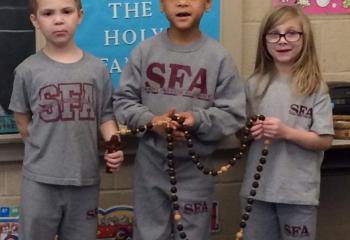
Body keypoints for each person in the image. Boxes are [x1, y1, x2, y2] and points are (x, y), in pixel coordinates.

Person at [113, 0, 246, 239]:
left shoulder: (219, 58)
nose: (182, 2)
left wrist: (196, 120)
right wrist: (153, 122)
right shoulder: (144, 51)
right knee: (149, 234)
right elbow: (123, 102)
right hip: (150, 168)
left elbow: (233, 114)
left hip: (196, 169)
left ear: (207, 4)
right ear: (162, 5)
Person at [8, 0, 124, 239]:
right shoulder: (26, 70)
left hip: (85, 179)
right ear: (34, 21)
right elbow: (22, 122)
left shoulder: (96, 69)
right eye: (48, 13)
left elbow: (105, 115)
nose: (58, 20)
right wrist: (47, 152)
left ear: (79, 16)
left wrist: (114, 146)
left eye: (66, 11)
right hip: (40, 181)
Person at [240, 5, 334, 240]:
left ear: (305, 39)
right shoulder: (253, 85)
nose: (282, 40)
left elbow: (324, 140)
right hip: (257, 191)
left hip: (297, 194)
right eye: (274, 33)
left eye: (291, 33)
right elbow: (240, 136)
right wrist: (249, 131)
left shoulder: (315, 87)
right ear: (265, 40)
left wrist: (286, 132)